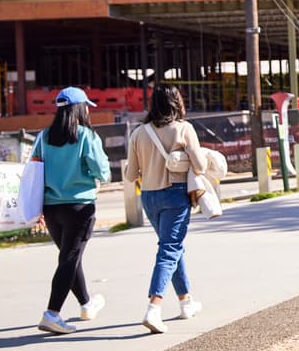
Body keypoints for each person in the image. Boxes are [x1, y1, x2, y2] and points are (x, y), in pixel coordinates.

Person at [124, 84, 206, 333]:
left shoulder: (139, 133)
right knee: (170, 249)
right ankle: (154, 307)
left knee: (171, 248)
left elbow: (130, 175)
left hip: (148, 196)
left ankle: (185, 302)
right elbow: (201, 165)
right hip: (175, 194)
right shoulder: (184, 129)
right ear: (176, 102)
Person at [34, 87, 111, 334]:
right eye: (86, 105)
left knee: (69, 256)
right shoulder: (86, 136)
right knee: (69, 259)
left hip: (51, 207)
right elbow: (102, 171)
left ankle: (87, 304)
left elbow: (34, 169)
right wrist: (97, 177)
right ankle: (52, 313)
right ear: (79, 108)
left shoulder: (43, 137)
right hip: (80, 206)